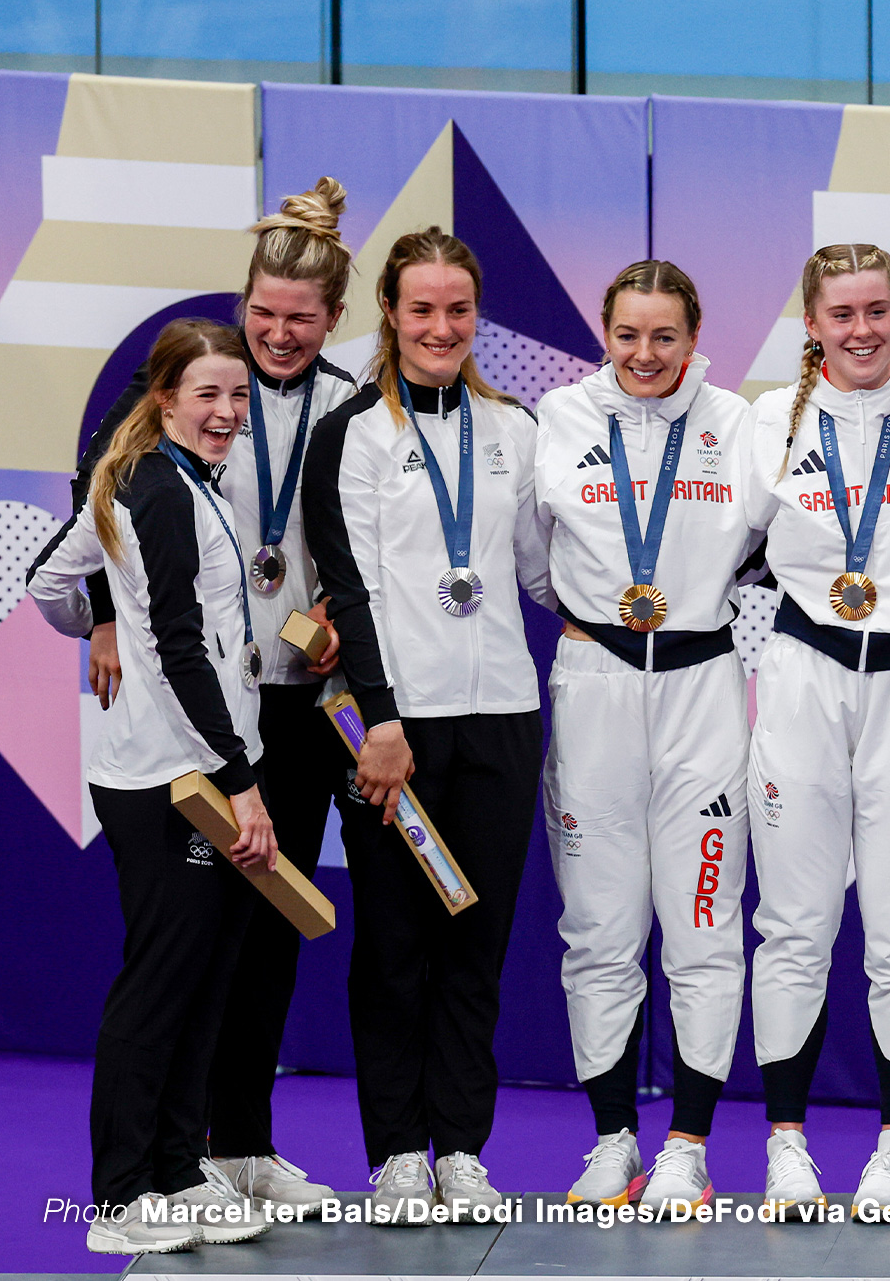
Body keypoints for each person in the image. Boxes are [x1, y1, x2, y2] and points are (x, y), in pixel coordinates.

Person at [50, 180, 358, 1209]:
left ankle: (232, 1149)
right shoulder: (185, 400)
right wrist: (100, 613)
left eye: (299, 319)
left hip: (293, 700)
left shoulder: (350, 400)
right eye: (262, 313)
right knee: (181, 951)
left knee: (254, 940)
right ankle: (159, 1172)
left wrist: (347, 640)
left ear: (332, 322)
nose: (276, 334)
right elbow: (100, 528)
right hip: (201, 719)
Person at [303, 226, 553, 1223]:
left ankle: (462, 1149)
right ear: (391, 316)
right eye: (422, 310)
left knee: (477, 942)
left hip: (502, 718)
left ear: (474, 315)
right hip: (394, 734)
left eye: (458, 309)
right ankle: (398, 1150)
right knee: (397, 942)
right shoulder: (354, 434)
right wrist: (384, 719)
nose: (441, 326)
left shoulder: (515, 429)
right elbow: (349, 590)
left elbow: (539, 570)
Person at [28, 320, 277, 1254]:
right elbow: (172, 648)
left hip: (201, 768)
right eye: (205, 394)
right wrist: (240, 780)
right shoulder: (151, 487)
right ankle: (121, 1196)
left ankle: (177, 1168)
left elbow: (59, 577)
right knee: (163, 980)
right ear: (163, 398)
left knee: (208, 976)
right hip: (169, 781)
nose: (224, 412)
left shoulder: (184, 482)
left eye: (237, 395)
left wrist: (98, 614)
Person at [743, 244, 890, 1218]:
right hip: (801, 678)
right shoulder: (768, 421)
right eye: (842, 315)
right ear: (811, 323)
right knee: (793, 924)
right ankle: (786, 1146)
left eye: (877, 310)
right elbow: (721, 552)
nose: (863, 331)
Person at [531, 260, 761, 1211]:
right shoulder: (560, 419)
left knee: (704, 928)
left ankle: (689, 1149)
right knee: (598, 930)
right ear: (604, 331)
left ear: (694, 336)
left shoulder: (739, 423)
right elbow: (530, 558)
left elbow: (765, 545)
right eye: (628, 334)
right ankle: (615, 1140)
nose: (645, 354)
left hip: (704, 682)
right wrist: (593, 621)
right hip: (593, 684)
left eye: (664, 336)